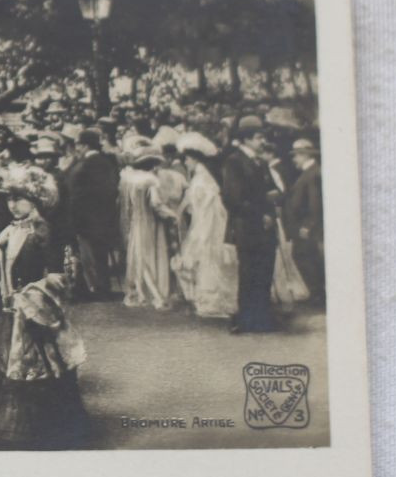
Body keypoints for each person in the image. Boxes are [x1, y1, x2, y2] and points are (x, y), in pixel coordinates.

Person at [0, 163, 91, 449]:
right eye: (9, 198)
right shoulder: (9, 232)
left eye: (19, 198)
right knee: (2, 368)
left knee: (40, 371)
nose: (13, 205)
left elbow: (58, 278)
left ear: (35, 199)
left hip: (34, 315)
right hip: (10, 315)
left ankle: (47, 434)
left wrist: (28, 299)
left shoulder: (42, 231)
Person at [223, 115, 283, 333]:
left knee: (265, 272)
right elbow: (233, 198)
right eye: (258, 137)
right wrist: (261, 213)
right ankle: (246, 319)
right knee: (249, 273)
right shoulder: (234, 162)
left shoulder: (261, 162)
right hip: (247, 227)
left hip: (265, 228)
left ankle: (262, 318)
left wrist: (274, 199)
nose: (262, 142)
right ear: (246, 139)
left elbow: (272, 191)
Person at [177, 131, 240, 319]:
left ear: (196, 159)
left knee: (210, 260)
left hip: (209, 225)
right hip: (203, 221)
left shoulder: (204, 179)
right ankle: (211, 301)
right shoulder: (201, 177)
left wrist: (201, 231)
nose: (186, 162)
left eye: (188, 159)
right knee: (207, 261)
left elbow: (210, 208)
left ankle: (215, 302)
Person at [119, 141, 180, 310]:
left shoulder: (127, 179)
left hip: (134, 221)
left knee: (138, 255)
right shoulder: (151, 180)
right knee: (152, 254)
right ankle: (154, 293)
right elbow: (156, 204)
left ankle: (138, 290)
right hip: (150, 222)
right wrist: (172, 215)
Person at [64, 128, 123, 300]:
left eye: (79, 145)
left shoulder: (94, 163)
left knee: (94, 255)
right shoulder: (95, 162)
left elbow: (103, 191)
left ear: (85, 145)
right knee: (92, 255)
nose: (77, 148)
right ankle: (95, 287)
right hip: (92, 217)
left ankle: (99, 289)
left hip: (91, 217)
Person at [284, 137, 325, 301]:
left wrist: (307, 225)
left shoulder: (313, 173)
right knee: (307, 256)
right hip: (302, 225)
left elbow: (315, 203)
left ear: (304, 155)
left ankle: (317, 294)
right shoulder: (310, 173)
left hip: (305, 226)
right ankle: (317, 293)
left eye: (296, 156)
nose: (294, 159)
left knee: (305, 256)